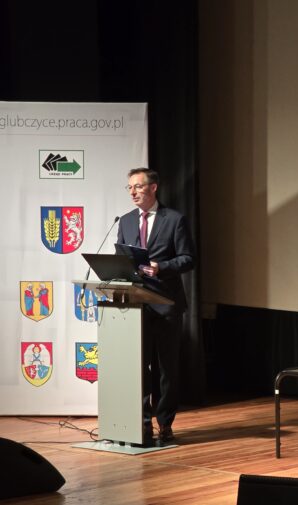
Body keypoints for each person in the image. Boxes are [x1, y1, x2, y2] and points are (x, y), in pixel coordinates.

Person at [117, 167, 196, 446]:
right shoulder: (126, 221)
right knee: (139, 368)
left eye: (138, 186)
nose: (133, 192)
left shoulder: (174, 220)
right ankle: (141, 424)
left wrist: (160, 267)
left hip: (166, 305)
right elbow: (122, 257)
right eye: (129, 187)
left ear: (153, 188)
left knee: (166, 369)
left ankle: (165, 424)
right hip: (135, 305)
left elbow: (188, 258)